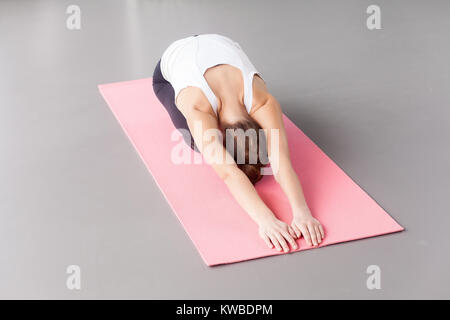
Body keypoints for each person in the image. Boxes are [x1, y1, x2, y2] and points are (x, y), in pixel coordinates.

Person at [152, 34, 324, 252]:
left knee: (208, 146)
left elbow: (282, 164)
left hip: (217, 43)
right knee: (196, 141)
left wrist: (302, 213)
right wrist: (265, 220)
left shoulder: (263, 102)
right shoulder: (198, 108)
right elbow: (228, 173)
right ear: (221, 134)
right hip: (167, 72)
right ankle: (210, 145)